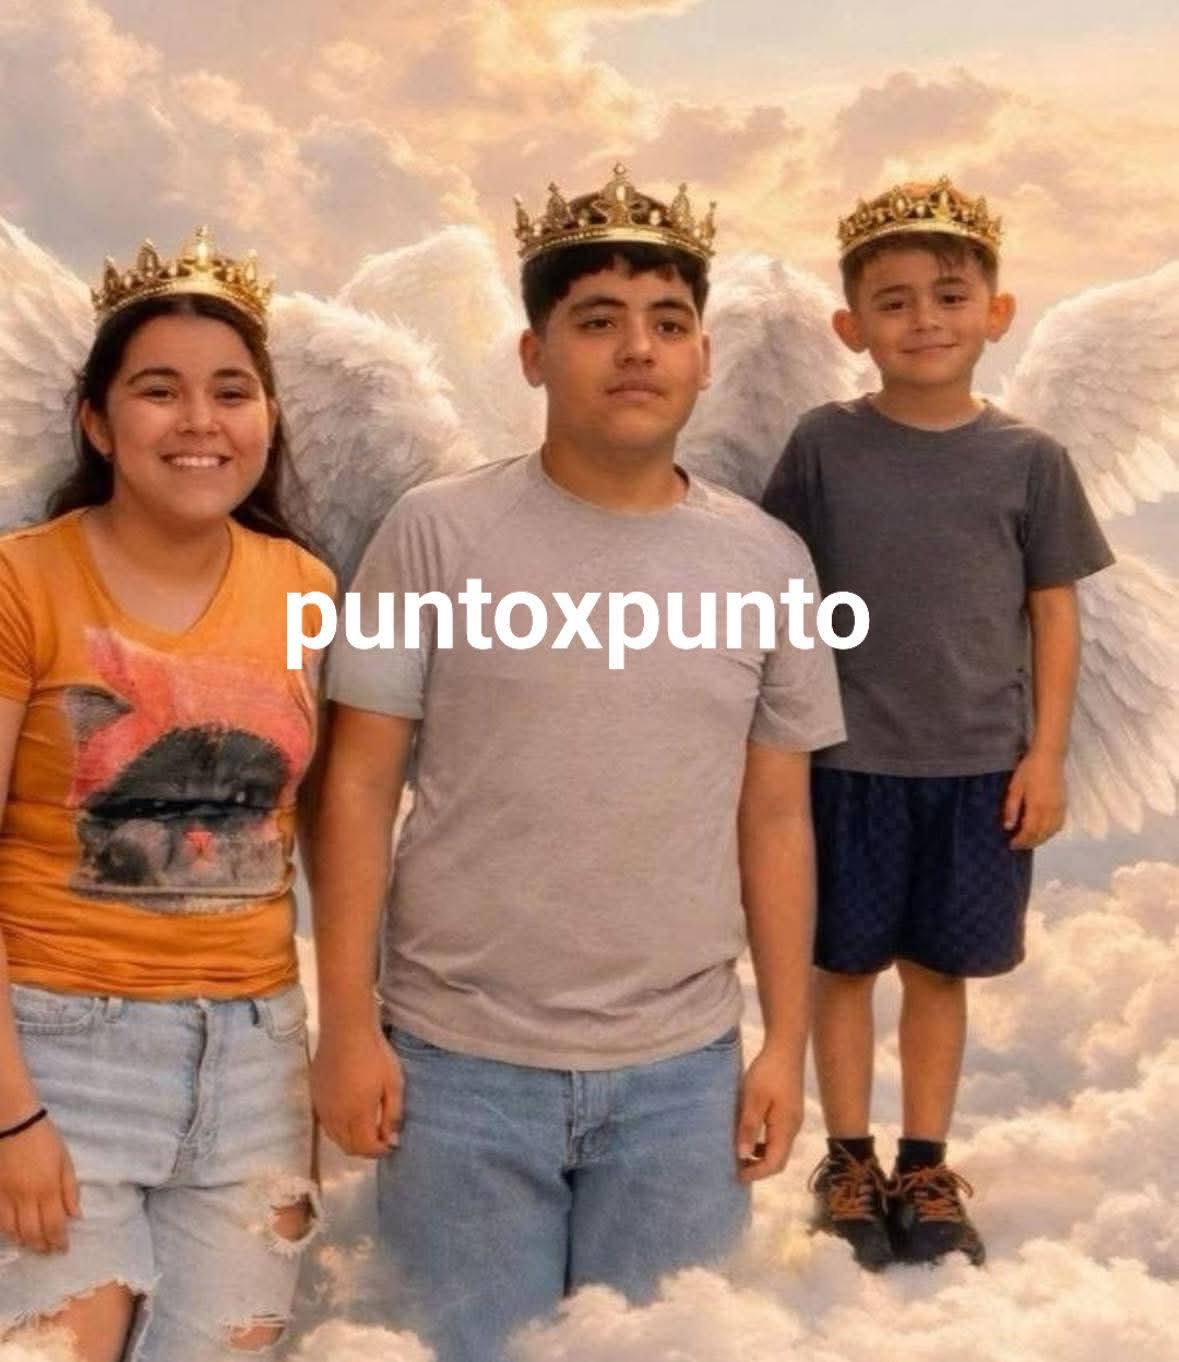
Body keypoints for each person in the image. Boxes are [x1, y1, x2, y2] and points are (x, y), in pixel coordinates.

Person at [311, 165, 845, 1362]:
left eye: (668, 323)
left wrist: (783, 1044)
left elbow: (775, 817)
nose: (637, 349)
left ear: (704, 357)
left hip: (681, 1084)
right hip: (456, 1071)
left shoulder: (768, 565)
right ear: (533, 354)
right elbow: (357, 785)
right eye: (597, 320)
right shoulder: (435, 533)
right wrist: (346, 1023)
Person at [761, 177, 1115, 1270]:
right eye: (894, 301)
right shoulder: (823, 446)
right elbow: (773, 585)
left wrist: (1043, 754)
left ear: (996, 313)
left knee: (939, 970)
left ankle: (923, 1163)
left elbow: (1052, 610)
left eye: (950, 296)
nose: (924, 320)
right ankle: (848, 1162)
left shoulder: (1028, 459)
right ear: (850, 327)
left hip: (976, 768)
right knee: (842, 967)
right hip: (844, 764)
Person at [0, 228, 334, 1360]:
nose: (200, 421)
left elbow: (320, 828)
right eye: (159, 390)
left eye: (231, 391)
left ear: (268, 416)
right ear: (97, 422)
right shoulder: (24, 581)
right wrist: (11, 1113)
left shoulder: (307, 589)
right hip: (57, 1050)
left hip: (253, 1063)